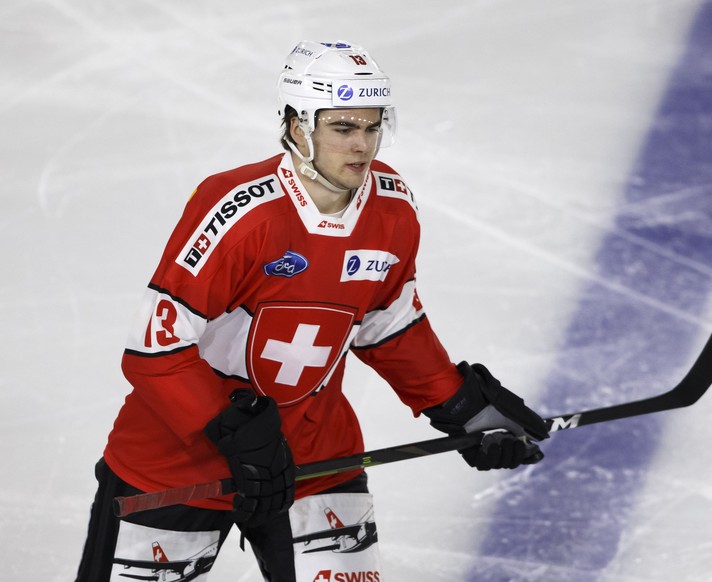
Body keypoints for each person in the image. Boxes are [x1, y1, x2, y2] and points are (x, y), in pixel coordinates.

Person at [75, 40, 549, 582]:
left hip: (316, 462)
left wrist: (461, 405)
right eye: (344, 128)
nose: (362, 146)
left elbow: (386, 322)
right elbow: (156, 351)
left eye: (372, 128)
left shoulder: (392, 207)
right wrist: (233, 431)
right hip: (177, 465)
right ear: (299, 126)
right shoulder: (238, 212)